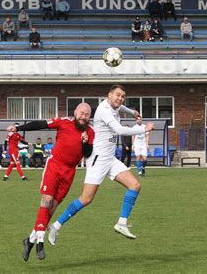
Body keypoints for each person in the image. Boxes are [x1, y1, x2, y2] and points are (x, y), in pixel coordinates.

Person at [48, 85, 155, 245]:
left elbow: (120, 107)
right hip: (98, 158)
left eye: (123, 96)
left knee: (135, 185)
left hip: (109, 158)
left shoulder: (115, 106)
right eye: (117, 95)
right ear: (109, 96)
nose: (120, 98)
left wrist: (132, 112)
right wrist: (143, 129)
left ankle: (121, 223)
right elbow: (119, 129)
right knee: (86, 198)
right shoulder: (103, 110)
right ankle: (56, 226)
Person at [17, 103, 94, 261]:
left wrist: (85, 142)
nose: (83, 116)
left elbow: (88, 154)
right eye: (81, 112)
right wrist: (18, 128)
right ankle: (40, 243)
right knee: (46, 201)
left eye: (87, 114)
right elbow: (41, 124)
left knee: (51, 208)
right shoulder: (64, 122)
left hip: (70, 171)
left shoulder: (90, 132)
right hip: (55, 165)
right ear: (75, 112)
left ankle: (29, 240)